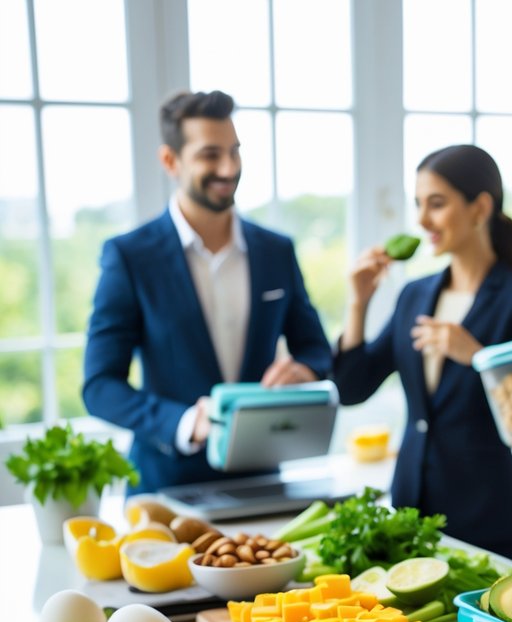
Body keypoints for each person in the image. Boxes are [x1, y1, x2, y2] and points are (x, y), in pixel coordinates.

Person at [83, 90, 332, 493]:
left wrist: (304, 369)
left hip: (263, 483)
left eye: (235, 152)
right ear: (170, 161)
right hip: (165, 489)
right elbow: (99, 386)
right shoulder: (129, 256)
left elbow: (316, 349)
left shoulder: (276, 250)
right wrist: (184, 422)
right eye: (210, 155)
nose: (229, 168)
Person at [333, 145, 512, 564]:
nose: (421, 220)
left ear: (480, 207)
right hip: (408, 514)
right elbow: (351, 388)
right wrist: (357, 304)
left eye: (436, 204)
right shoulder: (413, 295)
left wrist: (476, 356)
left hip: (486, 520)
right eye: (418, 204)